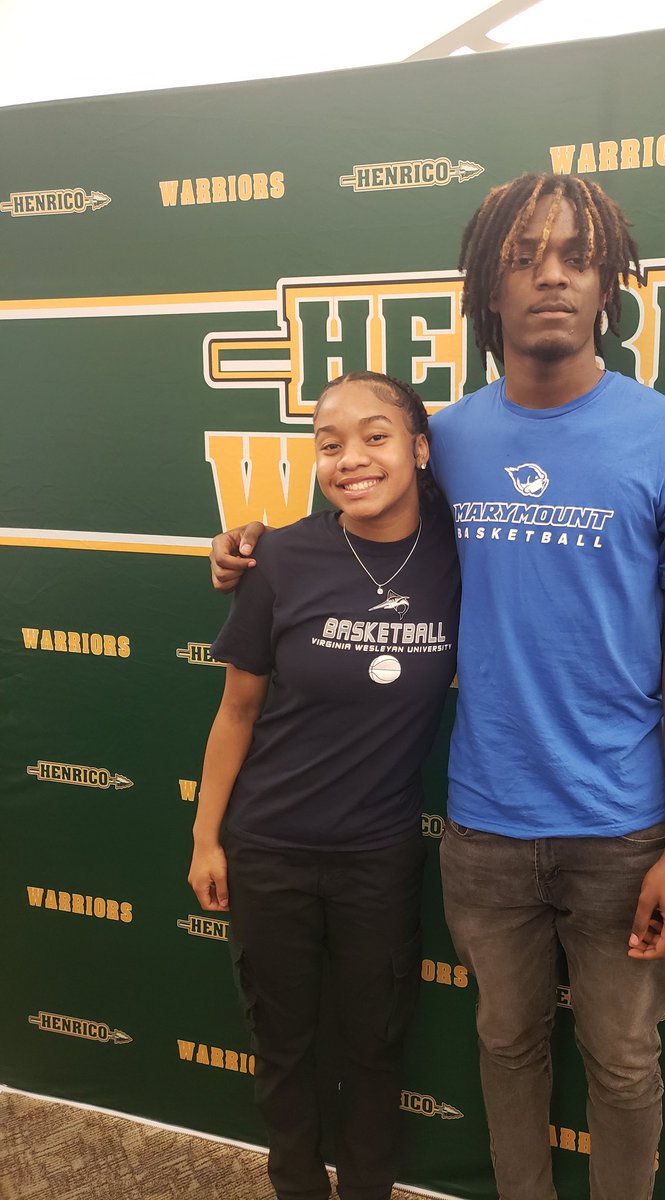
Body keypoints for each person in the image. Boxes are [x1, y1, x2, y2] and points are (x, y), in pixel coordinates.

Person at [210, 173, 665, 1200]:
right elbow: (350, 519)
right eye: (522, 256)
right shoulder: (445, 437)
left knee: (626, 1066)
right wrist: (246, 546)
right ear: (486, 291)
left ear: (608, 287)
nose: (550, 273)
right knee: (505, 1049)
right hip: (485, 826)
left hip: (621, 826)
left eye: (575, 256)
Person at [190, 371, 460, 1200]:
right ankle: (297, 1185)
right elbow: (237, 710)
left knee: (375, 1046)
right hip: (268, 848)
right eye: (330, 443)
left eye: (376, 436)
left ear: (418, 448)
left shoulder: (465, 550)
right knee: (284, 1044)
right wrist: (207, 837)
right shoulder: (281, 555)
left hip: (378, 856)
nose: (351, 458)